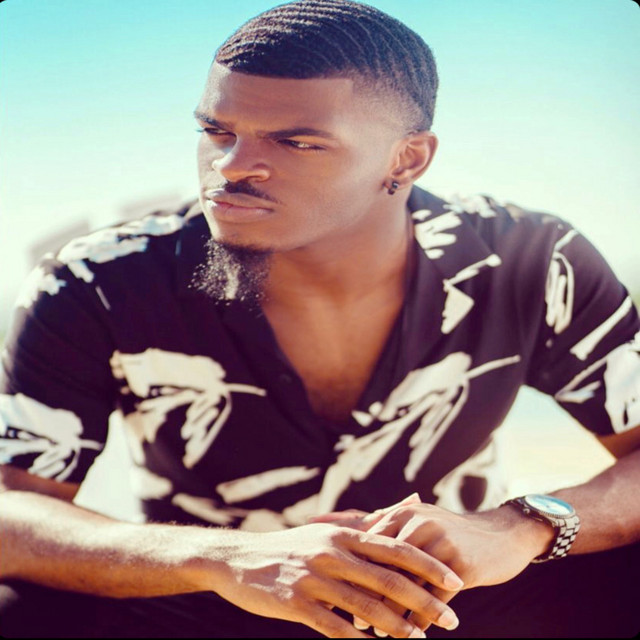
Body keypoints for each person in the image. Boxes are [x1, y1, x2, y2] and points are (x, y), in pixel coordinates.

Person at [1, 0, 639, 637]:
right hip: (207, 599)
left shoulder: (529, 261)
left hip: (446, 598)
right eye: (217, 131)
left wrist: (520, 526)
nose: (231, 166)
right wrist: (224, 558)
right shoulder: (100, 280)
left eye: (298, 142)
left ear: (406, 159)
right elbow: (13, 513)